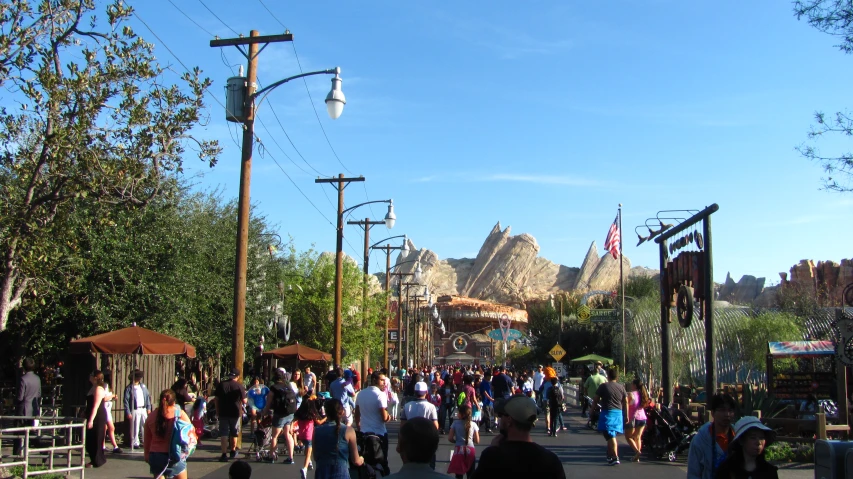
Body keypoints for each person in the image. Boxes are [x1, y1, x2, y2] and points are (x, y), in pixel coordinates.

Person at [471, 395, 565, 478]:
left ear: (509, 420)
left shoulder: (492, 457)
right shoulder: (550, 460)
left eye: (501, 415)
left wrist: (493, 449)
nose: (500, 419)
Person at [144, 389, 192, 479]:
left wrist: (147, 455)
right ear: (174, 402)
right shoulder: (180, 415)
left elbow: (147, 439)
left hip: (156, 455)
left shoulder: (151, 417)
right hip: (175, 454)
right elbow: (191, 433)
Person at [687, 393, 737, 479]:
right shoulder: (699, 440)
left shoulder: (739, 438)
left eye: (730, 410)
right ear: (713, 413)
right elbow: (693, 474)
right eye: (722, 410)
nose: (727, 414)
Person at [313, 399, 364, 479]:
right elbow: (356, 461)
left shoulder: (316, 430)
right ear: (342, 412)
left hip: (321, 473)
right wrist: (362, 459)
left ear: (326, 413)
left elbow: (316, 457)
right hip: (341, 472)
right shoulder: (348, 430)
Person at [354, 371, 390, 474]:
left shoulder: (361, 394)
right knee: (382, 462)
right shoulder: (380, 395)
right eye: (382, 380)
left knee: (367, 462)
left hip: (365, 433)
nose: (384, 383)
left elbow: (357, 414)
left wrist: (359, 426)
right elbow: (384, 417)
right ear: (374, 380)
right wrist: (389, 417)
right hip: (379, 434)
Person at [592, 367, 628, 465]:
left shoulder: (603, 386)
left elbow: (595, 399)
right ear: (617, 377)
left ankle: (615, 456)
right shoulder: (621, 387)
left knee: (610, 436)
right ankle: (610, 455)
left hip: (608, 413)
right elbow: (626, 402)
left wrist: (592, 410)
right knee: (611, 434)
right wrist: (626, 415)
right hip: (618, 414)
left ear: (608, 376)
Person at [263, 367, 298, 464]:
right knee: (288, 434)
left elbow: (269, 402)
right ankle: (291, 458)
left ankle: (271, 456)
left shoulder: (274, 387)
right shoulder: (288, 385)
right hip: (290, 413)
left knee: (274, 436)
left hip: (280, 414)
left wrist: (265, 412)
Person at [213, 368, 247, 462]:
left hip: (223, 411)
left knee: (224, 433)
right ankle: (233, 450)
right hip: (235, 412)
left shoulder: (221, 385)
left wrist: (217, 411)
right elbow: (244, 401)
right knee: (234, 432)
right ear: (238, 376)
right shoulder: (239, 386)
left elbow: (216, 399)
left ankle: (224, 454)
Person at [13, 357, 41, 455]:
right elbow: (38, 394)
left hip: (23, 409)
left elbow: (20, 397)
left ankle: (17, 454)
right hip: (33, 408)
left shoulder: (23, 379)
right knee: (31, 432)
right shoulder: (37, 378)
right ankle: (42, 448)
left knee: (18, 432)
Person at [295, 395, 326, 479]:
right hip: (309, 435)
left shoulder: (300, 413)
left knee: (306, 449)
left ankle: (309, 463)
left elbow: (294, 420)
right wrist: (326, 418)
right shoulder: (311, 413)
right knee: (309, 453)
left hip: (301, 435)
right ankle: (304, 468)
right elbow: (319, 422)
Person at [447, 404, 479, 479]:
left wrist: (456, 441)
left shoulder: (455, 424)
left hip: (459, 450)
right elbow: (477, 440)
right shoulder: (473, 424)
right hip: (470, 450)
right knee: (471, 474)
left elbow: (450, 438)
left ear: (461, 414)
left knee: (459, 474)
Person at [85, 370, 109, 468]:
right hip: (91, 414)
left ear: (95, 377)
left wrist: (91, 420)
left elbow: (96, 406)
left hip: (98, 416)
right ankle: (93, 459)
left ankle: (98, 460)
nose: (89, 376)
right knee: (90, 439)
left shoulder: (99, 389)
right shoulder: (93, 388)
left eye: (91, 375)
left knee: (97, 438)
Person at [124, 369, 152, 449]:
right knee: (135, 427)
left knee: (145, 425)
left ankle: (145, 441)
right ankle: (135, 442)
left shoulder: (143, 386)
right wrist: (128, 412)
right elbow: (126, 400)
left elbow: (147, 397)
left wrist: (148, 407)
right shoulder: (129, 388)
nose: (139, 378)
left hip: (143, 408)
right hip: (135, 409)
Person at [624, 378, 649, 462]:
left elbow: (625, 405)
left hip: (632, 418)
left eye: (632, 384)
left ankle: (637, 452)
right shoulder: (643, 394)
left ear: (634, 385)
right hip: (642, 418)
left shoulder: (631, 394)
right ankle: (637, 456)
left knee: (628, 437)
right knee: (638, 437)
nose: (631, 385)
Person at [102, 370, 122, 454]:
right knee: (111, 427)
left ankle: (102, 445)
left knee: (105, 428)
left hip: (108, 408)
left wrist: (113, 398)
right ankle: (115, 445)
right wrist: (112, 396)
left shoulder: (108, 386)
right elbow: (104, 398)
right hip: (105, 408)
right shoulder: (105, 385)